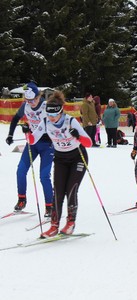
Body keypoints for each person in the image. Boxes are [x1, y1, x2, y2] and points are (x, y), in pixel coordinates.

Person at [24, 91, 92, 237]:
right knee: (58, 192)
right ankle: (54, 226)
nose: (52, 118)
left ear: (61, 112)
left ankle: (70, 222)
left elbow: (89, 143)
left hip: (77, 158)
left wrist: (77, 136)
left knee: (71, 189)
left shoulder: (70, 121)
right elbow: (32, 140)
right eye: (49, 115)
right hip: (61, 158)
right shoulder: (45, 122)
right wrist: (27, 132)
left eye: (54, 115)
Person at [5, 81, 54, 217]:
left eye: (33, 100)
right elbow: (15, 118)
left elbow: (45, 125)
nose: (30, 103)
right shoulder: (26, 106)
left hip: (47, 144)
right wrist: (10, 134)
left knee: (44, 176)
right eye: (28, 100)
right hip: (32, 144)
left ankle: (50, 206)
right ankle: (22, 199)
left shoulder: (46, 106)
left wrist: (30, 130)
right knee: (20, 171)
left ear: (39, 97)